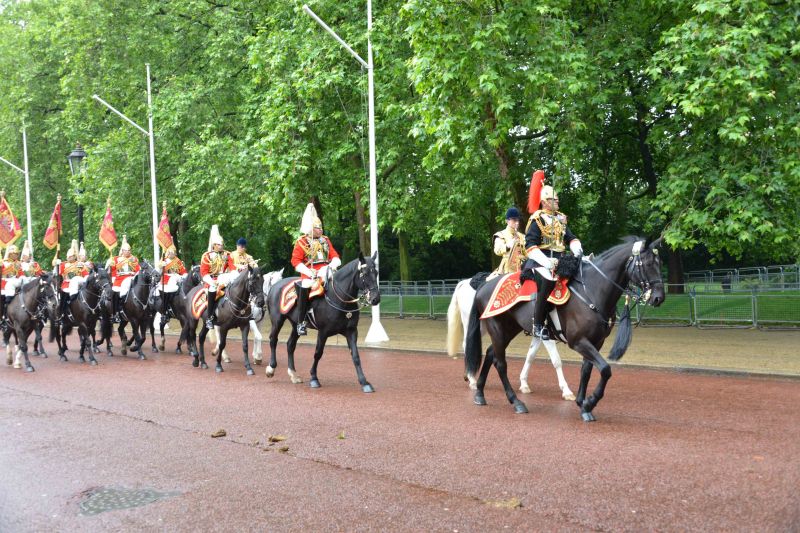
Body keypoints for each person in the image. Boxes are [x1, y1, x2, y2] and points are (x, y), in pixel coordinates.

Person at [524, 182, 583, 340]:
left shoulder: (560, 218)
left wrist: (577, 248)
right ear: (544, 202)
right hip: (540, 261)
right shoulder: (537, 219)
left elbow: (570, 238)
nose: (557, 202)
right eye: (553, 200)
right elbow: (529, 245)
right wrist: (546, 261)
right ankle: (537, 325)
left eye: (557, 200)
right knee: (548, 280)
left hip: (561, 260)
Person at [290, 203, 341, 335]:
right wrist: (309, 272)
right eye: (317, 228)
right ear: (310, 229)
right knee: (304, 290)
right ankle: (301, 322)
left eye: (321, 227)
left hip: (326, 271)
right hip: (309, 275)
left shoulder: (326, 240)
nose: (320, 230)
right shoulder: (301, 242)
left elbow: (335, 256)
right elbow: (295, 261)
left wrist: (332, 265)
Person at [199, 225, 235, 330]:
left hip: (224, 278)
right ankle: (209, 317)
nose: (221, 246)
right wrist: (211, 282)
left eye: (222, 244)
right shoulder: (207, 255)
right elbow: (204, 272)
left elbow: (232, 268)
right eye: (219, 244)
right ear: (214, 245)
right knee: (213, 289)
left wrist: (236, 273)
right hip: (211, 279)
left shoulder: (227, 254)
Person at [105, 235, 141, 323]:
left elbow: (138, 270)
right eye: (126, 250)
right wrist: (110, 264)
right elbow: (109, 270)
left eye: (129, 250)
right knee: (114, 294)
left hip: (132, 279)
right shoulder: (116, 259)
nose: (128, 252)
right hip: (119, 280)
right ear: (122, 251)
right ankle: (115, 313)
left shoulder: (134, 259)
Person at [53, 240, 88, 324]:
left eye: (70, 256)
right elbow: (56, 274)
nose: (68, 258)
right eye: (68, 256)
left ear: (74, 256)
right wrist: (56, 265)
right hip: (66, 284)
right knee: (61, 299)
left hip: (79, 285)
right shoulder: (63, 264)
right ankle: (61, 314)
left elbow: (85, 274)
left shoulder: (79, 264)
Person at [489, 207, 526, 279]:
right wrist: (508, 245)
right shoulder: (501, 234)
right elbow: (497, 250)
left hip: (522, 267)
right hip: (506, 269)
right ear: (507, 221)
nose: (517, 222)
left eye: (518, 220)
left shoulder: (522, 236)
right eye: (514, 220)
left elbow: (527, 252)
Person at [156, 245, 187, 318]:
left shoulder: (178, 261)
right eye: (170, 253)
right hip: (167, 279)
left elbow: (183, 271)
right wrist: (161, 266)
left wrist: (185, 276)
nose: (172, 254)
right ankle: (166, 308)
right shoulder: (164, 261)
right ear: (167, 253)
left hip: (177, 277)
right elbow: (158, 272)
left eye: (173, 253)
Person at [0, 243, 23, 328]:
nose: (15, 256)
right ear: (10, 254)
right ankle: (2, 316)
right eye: (13, 254)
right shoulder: (3, 263)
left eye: (16, 254)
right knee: (2, 299)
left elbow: (21, 274)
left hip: (15, 282)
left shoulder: (18, 263)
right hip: (4, 282)